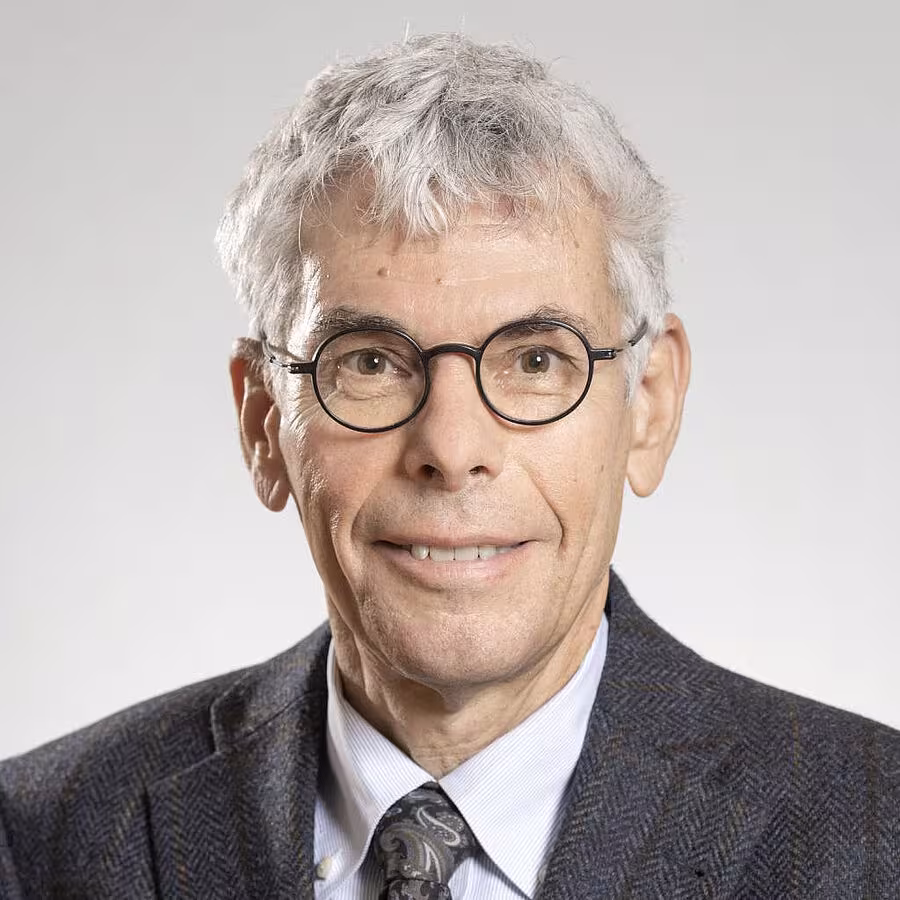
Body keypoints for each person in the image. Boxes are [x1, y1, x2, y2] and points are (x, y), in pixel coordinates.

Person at [0, 32, 897, 900]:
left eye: (537, 360)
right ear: (263, 420)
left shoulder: (872, 839)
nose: (453, 450)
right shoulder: (40, 845)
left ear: (649, 406)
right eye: (371, 361)